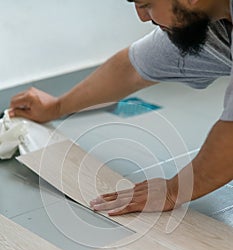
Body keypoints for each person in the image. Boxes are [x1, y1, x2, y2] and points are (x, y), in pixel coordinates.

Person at [10, 0, 233, 216]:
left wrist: (174, 191)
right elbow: (132, 70)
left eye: (146, 5)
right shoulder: (211, 25)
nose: (143, 17)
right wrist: (57, 107)